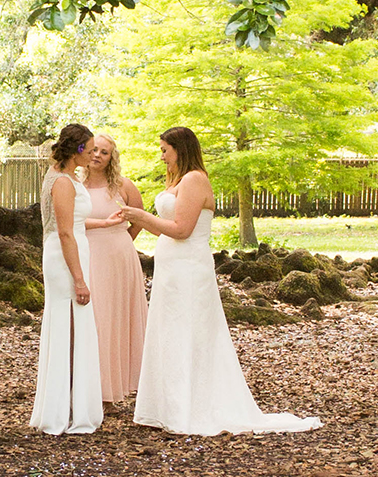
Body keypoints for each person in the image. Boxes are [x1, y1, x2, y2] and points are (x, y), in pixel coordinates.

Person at [116, 126, 321, 436]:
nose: (161, 156)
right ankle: (167, 407)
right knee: (169, 332)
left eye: (164, 150)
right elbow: (163, 229)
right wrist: (137, 220)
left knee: (189, 332)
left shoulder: (195, 179)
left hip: (189, 269)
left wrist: (141, 216)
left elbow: (182, 229)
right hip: (171, 269)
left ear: (180, 149)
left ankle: (191, 408)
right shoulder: (177, 181)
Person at [29, 122, 104, 434]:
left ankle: (71, 402)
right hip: (64, 259)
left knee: (74, 326)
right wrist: (79, 279)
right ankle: (62, 410)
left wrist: (105, 223)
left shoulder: (68, 176)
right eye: (91, 149)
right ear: (78, 150)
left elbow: (75, 222)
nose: (95, 155)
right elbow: (64, 232)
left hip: (71, 252)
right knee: (67, 324)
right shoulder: (61, 181)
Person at [83, 130, 148, 403]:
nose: (98, 155)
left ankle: (116, 389)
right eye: (94, 150)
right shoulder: (75, 184)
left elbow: (140, 218)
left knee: (116, 318)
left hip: (120, 257)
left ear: (112, 158)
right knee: (96, 318)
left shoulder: (123, 185)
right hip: (89, 255)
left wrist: (123, 240)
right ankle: (92, 388)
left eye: (104, 152)